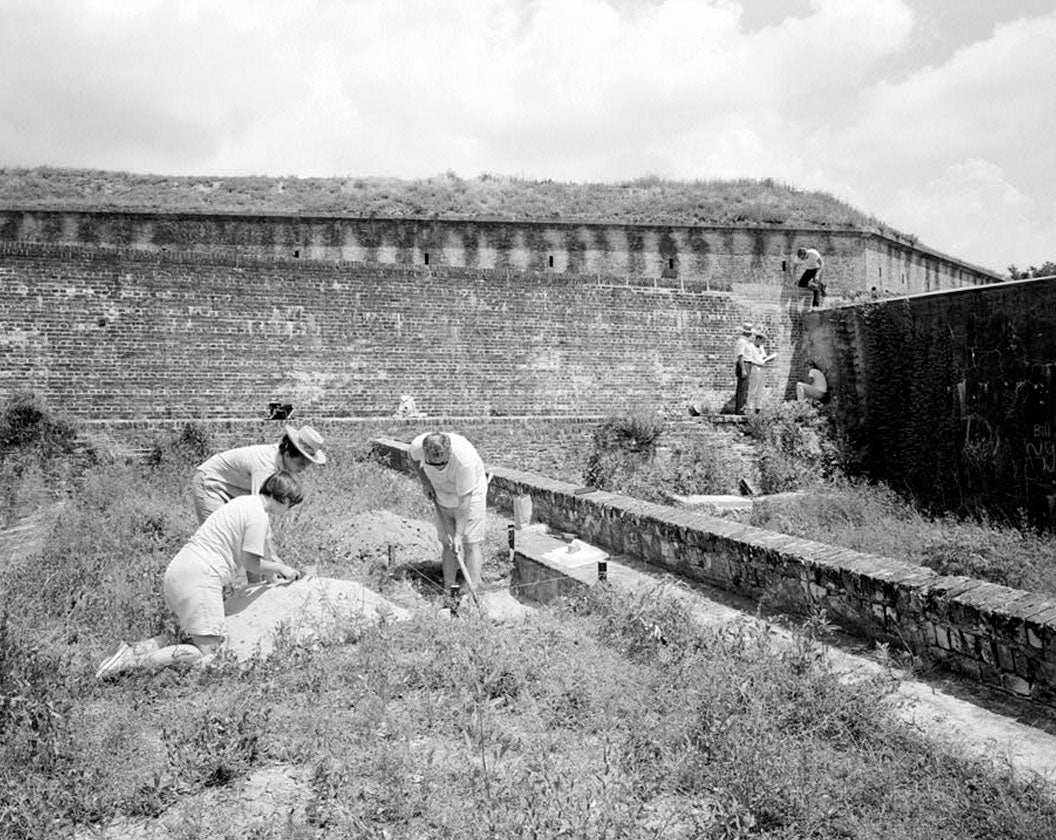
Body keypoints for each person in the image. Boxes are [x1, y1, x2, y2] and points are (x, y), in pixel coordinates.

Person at [95, 471, 305, 679]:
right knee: (208, 653)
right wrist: (280, 569)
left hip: (179, 571)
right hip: (201, 578)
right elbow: (251, 562)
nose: (289, 510)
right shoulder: (258, 516)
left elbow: (264, 554)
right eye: (291, 504)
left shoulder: (245, 504)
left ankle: (128, 651)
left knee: (181, 636)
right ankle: (129, 663)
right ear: (284, 499)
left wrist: (276, 578)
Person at [192, 425, 326, 582]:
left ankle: (255, 587)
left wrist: (272, 560)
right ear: (288, 454)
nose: (303, 469)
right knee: (225, 543)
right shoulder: (266, 466)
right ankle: (220, 587)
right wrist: (274, 564)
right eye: (301, 464)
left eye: (307, 464)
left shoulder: (280, 463)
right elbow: (257, 516)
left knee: (247, 540)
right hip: (212, 483)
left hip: (235, 488)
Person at [408, 431, 488, 604]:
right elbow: (412, 458)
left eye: (443, 463)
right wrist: (425, 482)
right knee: (448, 543)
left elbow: (464, 502)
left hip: (471, 494)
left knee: (470, 541)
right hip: (441, 492)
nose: (438, 467)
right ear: (425, 453)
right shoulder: (417, 446)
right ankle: (449, 590)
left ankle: (472, 593)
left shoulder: (463, 461)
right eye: (433, 464)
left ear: (449, 451)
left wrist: (459, 535)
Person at [746, 331, 775, 413]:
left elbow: (764, 357)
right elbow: (749, 359)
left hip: (762, 369)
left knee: (760, 389)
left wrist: (769, 359)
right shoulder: (750, 347)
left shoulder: (761, 347)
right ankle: (750, 408)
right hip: (755, 368)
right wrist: (758, 363)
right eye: (762, 341)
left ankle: (758, 407)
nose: (762, 343)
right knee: (753, 389)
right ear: (757, 339)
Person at [733, 322, 754, 415]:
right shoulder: (742, 342)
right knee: (742, 387)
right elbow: (740, 356)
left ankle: (742, 408)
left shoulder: (746, 342)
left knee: (744, 387)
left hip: (747, 364)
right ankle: (740, 409)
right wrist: (743, 369)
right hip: (744, 364)